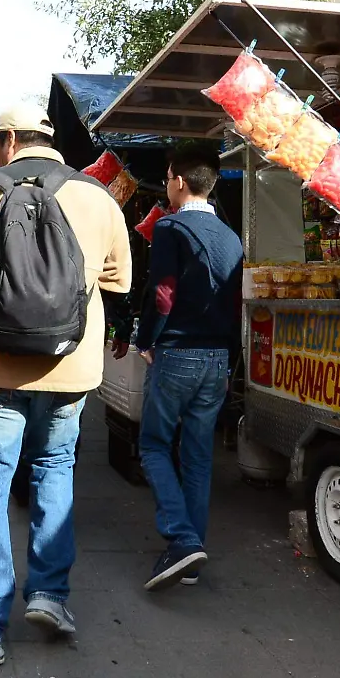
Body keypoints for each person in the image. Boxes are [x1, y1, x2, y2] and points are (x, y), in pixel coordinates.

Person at [0, 102, 132, 668]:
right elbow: (121, 278)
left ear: (11, 139)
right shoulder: (97, 197)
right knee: (54, 471)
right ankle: (49, 595)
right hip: (71, 369)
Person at [134, 144, 244, 590]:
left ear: (179, 181)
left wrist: (147, 340)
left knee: (155, 446)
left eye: (166, 179)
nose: (166, 186)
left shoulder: (171, 228)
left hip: (177, 352)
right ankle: (192, 559)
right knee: (198, 456)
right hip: (218, 358)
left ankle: (181, 540)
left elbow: (162, 293)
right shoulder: (232, 237)